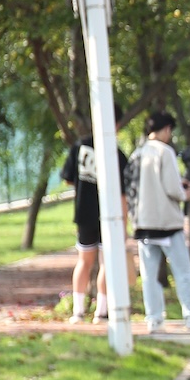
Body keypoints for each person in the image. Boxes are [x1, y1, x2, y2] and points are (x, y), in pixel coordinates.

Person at [129, 111, 190, 334]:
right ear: (166, 130)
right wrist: (185, 193)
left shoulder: (137, 154)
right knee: (182, 272)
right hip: (168, 223)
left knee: (149, 275)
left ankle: (154, 319)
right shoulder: (166, 152)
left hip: (143, 223)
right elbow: (173, 187)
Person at [60, 133, 129, 323]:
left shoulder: (79, 146)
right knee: (106, 262)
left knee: (84, 261)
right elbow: (123, 193)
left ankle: (78, 311)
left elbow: (67, 178)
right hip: (109, 215)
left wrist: (85, 186)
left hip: (84, 212)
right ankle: (101, 311)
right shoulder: (115, 153)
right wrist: (124, 222)